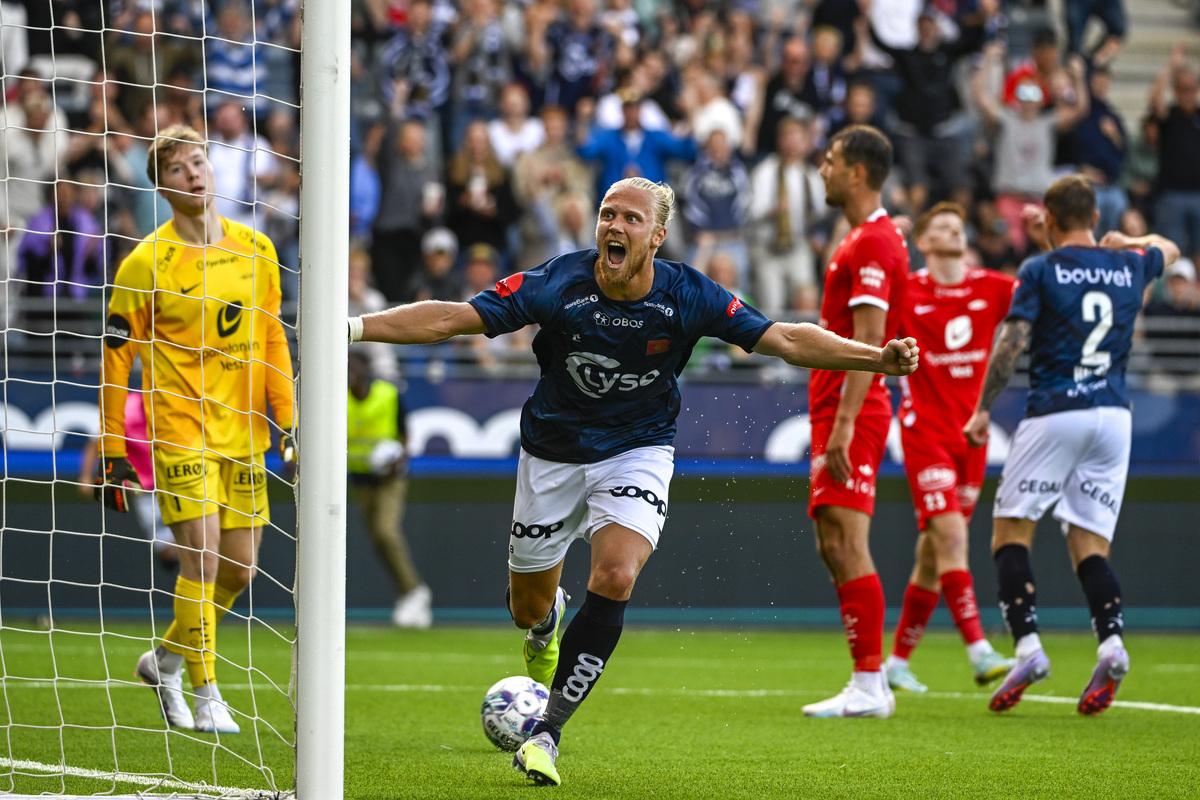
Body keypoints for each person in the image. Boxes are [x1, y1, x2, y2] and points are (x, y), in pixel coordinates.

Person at [348, 175, 919, 785]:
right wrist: (354, 328)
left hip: (638, 450)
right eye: (607, 214)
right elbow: (453, 320)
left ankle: (547, 733)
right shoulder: (557, 283)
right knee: (525, 608)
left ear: (658, 237)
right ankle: (547, 623)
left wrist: (876, 358)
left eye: (631, 219)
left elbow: (781, 337)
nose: (614, 227)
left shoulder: (689, 294)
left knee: (616, 573)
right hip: (552, 456)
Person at [97, 124, 295, 735]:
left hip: (241, 432)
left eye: (199, 161)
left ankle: (164, 660)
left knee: (239, 569)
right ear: (161, 183)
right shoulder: (144, 262)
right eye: (180, 167)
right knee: (202, 558)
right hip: (178, 426)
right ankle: (206, 690)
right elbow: (115, 358)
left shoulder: (255, 249)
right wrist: (112, 448)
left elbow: (269, 341)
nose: (194, 173)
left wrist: (287, 421)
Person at [963, 175, 1179, 715]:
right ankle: (1112, 643)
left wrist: (984, 406)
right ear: (1096, 218)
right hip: (1113, 415)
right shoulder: (1130, 265)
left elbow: (1012, 341)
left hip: (1057, 410)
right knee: (1090, 542)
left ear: (1050, 221)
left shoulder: (1039, 268)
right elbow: (1169, 249)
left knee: (1011, 528)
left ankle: (1030, 648)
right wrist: (1126, 243)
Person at [883, 202, 1016, 694]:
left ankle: (896, 661)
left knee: (933, 554)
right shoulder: (907, 291)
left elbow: (1038, 303)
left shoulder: (992, 287)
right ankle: (979, 649)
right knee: (953, 539)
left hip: (971, 438)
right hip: (925, 435)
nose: (953, 229)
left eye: (958, 225)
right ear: (924, 241)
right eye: (940, 225)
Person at [801, 124, 909, 720]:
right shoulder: (857, 239)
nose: (823, 166)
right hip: (835, 405)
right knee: (831, 541)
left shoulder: (872, 242)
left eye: (833, 159)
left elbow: (872, 340)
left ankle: (870, 683)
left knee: (847, 538)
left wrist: (844, 426)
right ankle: (871, 679)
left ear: (858, 173)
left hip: (854, 408)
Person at [347, 351, 431, 628]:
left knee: (386, 531)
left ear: (365, 369)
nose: (349, 372)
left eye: (353, 367)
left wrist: (399, 458)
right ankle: (409, 593)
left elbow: (405, 434)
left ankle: (415, 591)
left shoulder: (387, 394)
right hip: (359, 479)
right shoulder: (337, 398)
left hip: (389, 479)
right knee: (378, 540)